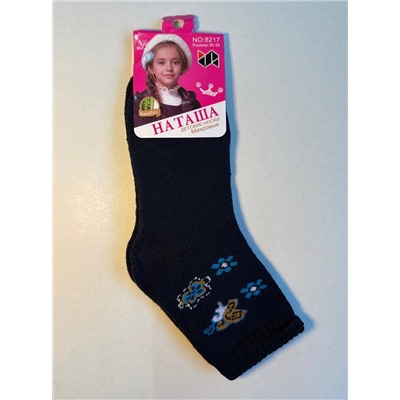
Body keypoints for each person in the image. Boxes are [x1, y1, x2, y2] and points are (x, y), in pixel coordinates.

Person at [133, 34, 201, 127]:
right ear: (151, 68)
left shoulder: (192, 102)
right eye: (161, 62)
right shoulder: (139, 103)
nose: (169, 68)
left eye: (175, 62)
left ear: (182, 67)